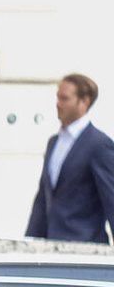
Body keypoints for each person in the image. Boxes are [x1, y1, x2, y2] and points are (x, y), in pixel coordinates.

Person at [26, 73, 114, 243]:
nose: (58, 104)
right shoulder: (53, 142)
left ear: (84, 102)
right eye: (57, 97)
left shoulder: (99, 145)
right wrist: (30, 242)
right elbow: (43, 199)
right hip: (51, 248)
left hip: (85, 251)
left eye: (64, 98)